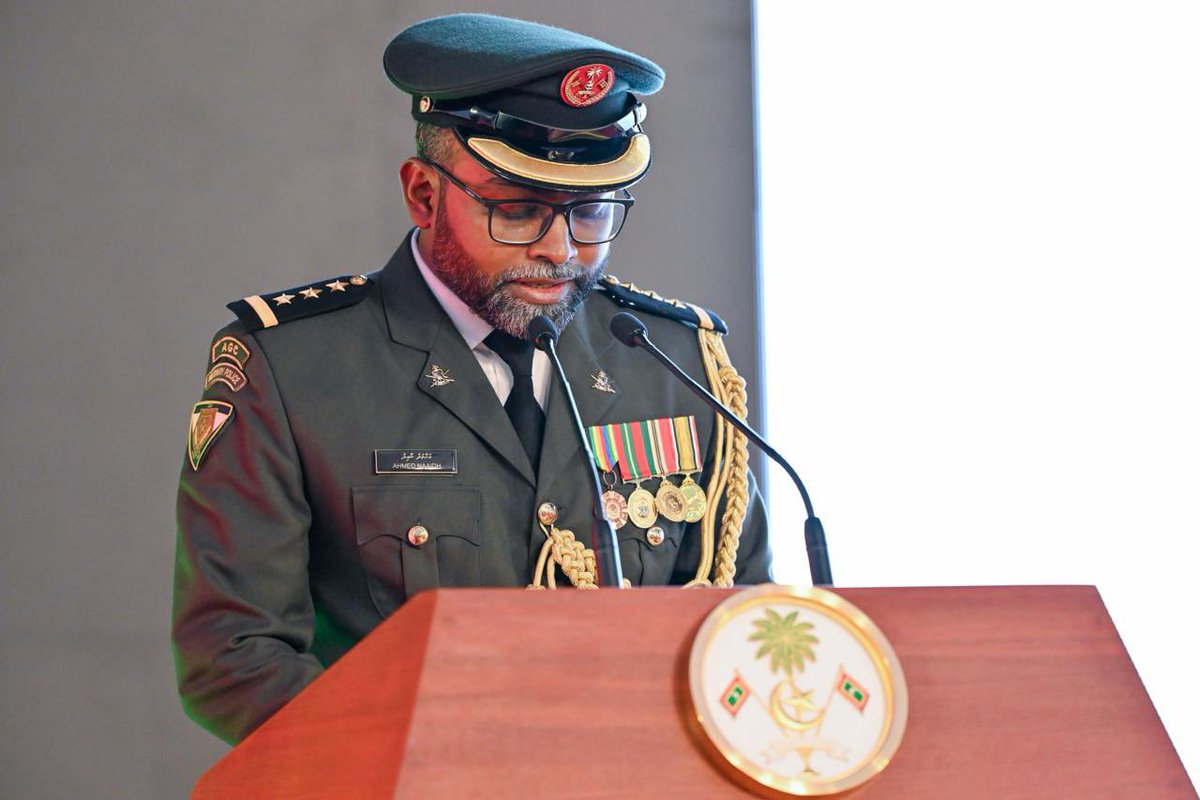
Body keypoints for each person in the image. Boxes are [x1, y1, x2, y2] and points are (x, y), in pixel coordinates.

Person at [173, 12, 772, 744]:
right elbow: (234, 657)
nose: (560, 250)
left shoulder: (672, 360)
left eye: (590, 211)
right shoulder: (295, 368)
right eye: (517, 211)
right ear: (423, 194)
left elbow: (742, 621)